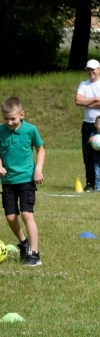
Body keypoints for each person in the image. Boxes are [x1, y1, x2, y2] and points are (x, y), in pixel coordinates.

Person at [0, 97, 45, 266]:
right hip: (7, 180)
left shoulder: (31, 130)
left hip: (26, 179)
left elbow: (40, 149)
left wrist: (38, 169)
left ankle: (34, 254)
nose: (9, 122)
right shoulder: (0, 131)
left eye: (13, 119)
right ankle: (23, 242)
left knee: (27, 214)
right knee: (10, 217)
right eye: (6, 119)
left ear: (22, 114)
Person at [75, 59, 100, 192]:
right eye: (88, 69)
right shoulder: (83, 84)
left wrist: (86, 102)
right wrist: (95, 99)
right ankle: (90, 183)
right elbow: (77, 101)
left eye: (93, 69)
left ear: (99, 69)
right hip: (88, 123)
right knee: (88, 155)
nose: (90, 72)